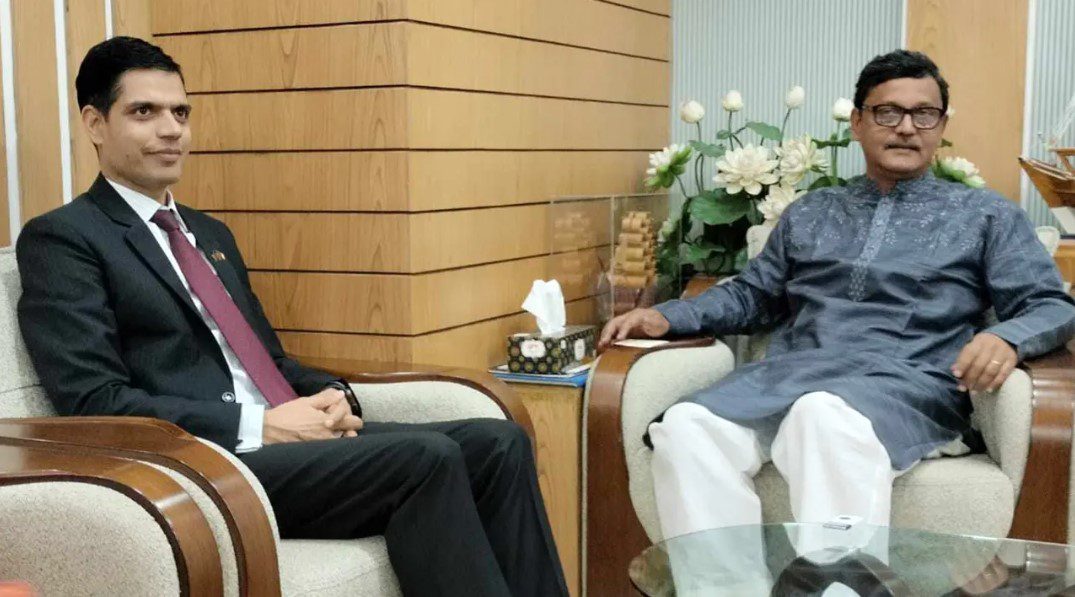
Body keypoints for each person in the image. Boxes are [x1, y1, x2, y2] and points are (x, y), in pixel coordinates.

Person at [16, 36, 567, 597]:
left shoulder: (208, 234)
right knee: (427, 458)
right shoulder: (64, 238)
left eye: (180, 113)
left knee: (498, 443)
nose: (171, 130)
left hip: (284, 440)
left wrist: (333, 395)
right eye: (144, 112)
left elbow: (267, 360)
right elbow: (95, 402)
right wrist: (259, 425)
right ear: (95, 123)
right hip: (205, 459)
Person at [599, 50, 1075, 544]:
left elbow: (1051, 305)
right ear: (857, 123)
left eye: (924, 114)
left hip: (908, 385)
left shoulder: (986, 215)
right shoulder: (813, 211)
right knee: (685, 427)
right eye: (888, 112)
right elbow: (752, 295)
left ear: (940, 127)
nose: (906, 128)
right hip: (791, 376)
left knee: (821, 416)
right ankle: (727, 581)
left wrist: (1006, 338)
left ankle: (839, 580)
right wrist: (668, 317)